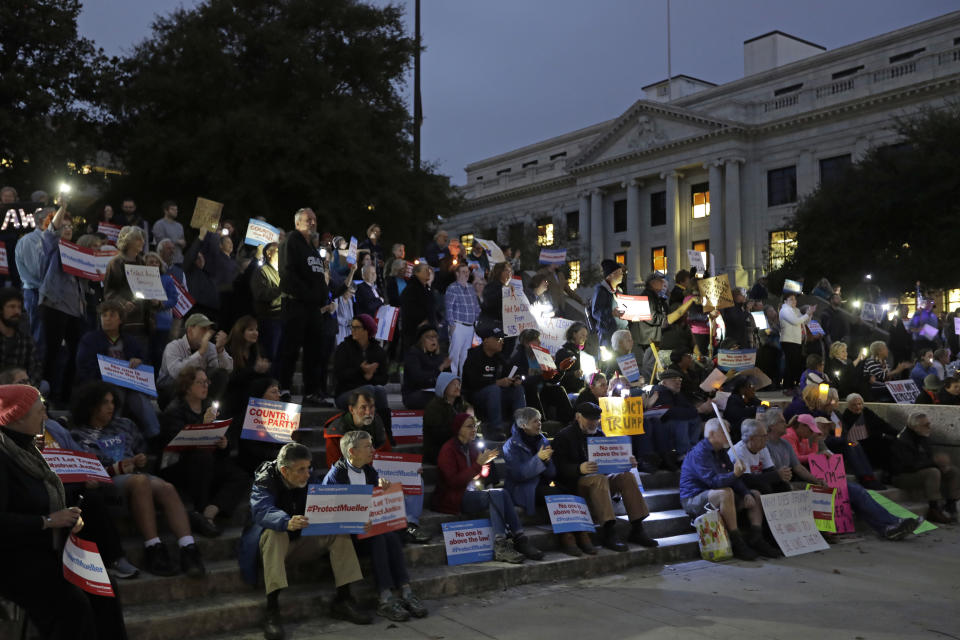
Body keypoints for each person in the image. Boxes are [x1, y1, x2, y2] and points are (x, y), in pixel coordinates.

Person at [0, 384, 129, 639]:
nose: (45, 416)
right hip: (14, 560)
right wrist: (47, 521)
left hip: (48, 549)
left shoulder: (28, 449)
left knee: (104, 586)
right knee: (72, 605)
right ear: (18, 417)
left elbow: (38, 496)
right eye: (39, 411)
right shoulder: (4, 456)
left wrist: (68, 513)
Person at [70, 381, 205, 577]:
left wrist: (140, 459)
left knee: (167, 488)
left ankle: (188, 548)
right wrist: (118, 468)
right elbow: (87, 471)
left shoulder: (125, 425)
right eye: (105, 403)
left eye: (112, 402)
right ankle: (153, 548)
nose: (111, 407)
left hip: (134, 474)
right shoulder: (79, 435)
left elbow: (141, 450)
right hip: (107, 481)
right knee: (140, 482)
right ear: (91, 406)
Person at [238, 443, 372, 639]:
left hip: (302, 542)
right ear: (284, 470)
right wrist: (285, 521)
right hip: (272, 548)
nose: (307, 473)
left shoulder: (310, 478)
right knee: (275, 534)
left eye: (308, 468)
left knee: (339, 533)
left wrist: (356, 521)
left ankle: (344, 599)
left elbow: (330, 505)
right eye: (301, 469)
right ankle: (272, 610)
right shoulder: (265, 479)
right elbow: (262, 510)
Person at [758, 408, 918, 541]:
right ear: (771, 426)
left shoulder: (785, 443)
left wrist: (817, 479)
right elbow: (775, 472)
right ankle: (887, 525)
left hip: (800, 479)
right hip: (785, 485)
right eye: (780, 421)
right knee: (831, 491)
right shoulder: (769, 444)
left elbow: (798, 467)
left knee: (855, 491)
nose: (785, 423)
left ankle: (891, 524)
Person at [322, 430, 428, 621]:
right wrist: (356, 522)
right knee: (379, 536)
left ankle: (405, 591)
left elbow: (376, 505)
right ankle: (385, 598)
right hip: (347, 537)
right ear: (352, 451)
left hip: (368, 530)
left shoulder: (369, 472)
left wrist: (383, 490)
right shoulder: (336, 476)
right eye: (368, 446)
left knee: (390, 534)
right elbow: (330, 513)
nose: (373, 449)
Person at [434, 413, 543, 562]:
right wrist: (477, 465)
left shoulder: (472, 447)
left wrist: (484, 468)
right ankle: (500, 545)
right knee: (496, 494)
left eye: (475, 426)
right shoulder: (448, 450)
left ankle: (520, 539)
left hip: (471, 492)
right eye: (469, 426)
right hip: (453, 497)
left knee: (502, 493)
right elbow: (453, 482)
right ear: (458, 429)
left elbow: (477, 476)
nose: (474, 430)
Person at [551, 402, 657, 551]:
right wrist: (578, 468)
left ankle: (638, 528)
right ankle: (609, 531)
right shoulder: (564, 436)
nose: (594, 422)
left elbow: (609, 463)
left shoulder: (600, 435)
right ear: (578, 417)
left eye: (596, 419)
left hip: (599, 482)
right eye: (590, 419)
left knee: (626, 477)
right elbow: (557, 467)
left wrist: (624, 462)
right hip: (575, 485)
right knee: (599, 479)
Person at [158, 366, 250, 538]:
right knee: (202, 458)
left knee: (240, 475)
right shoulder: (175, 410)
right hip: (180, 465)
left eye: (207, 382)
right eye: (200, 382)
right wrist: (203, 425)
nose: (206, 386)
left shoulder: (209, 406)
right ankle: (198, 511)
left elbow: (221, 444)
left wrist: (224, 444)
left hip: (207, 463)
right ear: (186, 386)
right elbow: (178, 445)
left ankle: (210, 511)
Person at [678, 417, 780, 560]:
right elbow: (713, 481)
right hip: (694, 498)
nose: (729, 436)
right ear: (712, 434)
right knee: (725, 493)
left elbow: (733, 478)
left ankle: (757, 536)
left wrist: (745, 492)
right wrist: (735, 474)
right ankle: (737, 542)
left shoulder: (720, 452)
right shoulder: (700, 453)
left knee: (755, 494)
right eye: (725, 432)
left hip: (713, 494)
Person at [502, 407, 592, 556]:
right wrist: (538, 459)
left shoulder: (542, 440)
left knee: (568, 489)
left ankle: (581, 532)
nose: (539, 424)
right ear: (523, 425)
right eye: (535, 421)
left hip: (541, 484)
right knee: (555, 493)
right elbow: (519, 474)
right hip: (522, 488)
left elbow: (551, 473)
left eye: (539, 420)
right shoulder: (510, 445)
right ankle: (567, 537)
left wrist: (547, 462)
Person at [75, 299, 162, 442]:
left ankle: (155, 435)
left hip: (130, 386)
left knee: (139, 398)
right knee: (116, 394)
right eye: (104, 315)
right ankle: (112, 437)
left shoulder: (130, 341)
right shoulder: (89, 340)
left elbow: (144, 361)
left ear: (120, 319)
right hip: (102, 385)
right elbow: (84, 368)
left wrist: (139, 361)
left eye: (112, 315)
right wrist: (108, 376)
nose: (107, 319)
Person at [277, 208, 339, 405]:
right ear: (297, 223)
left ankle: (311, 392)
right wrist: (310, 294)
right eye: (308, 220)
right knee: (291, 349)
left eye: (314, 219)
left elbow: (319, 276)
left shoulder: (312, 247)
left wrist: (322, 296)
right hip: (295, 303)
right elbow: (288, 275)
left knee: (315, 351)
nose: (312, 223)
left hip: (313, 308)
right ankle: (284, 389)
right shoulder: (291, 243)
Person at [889, 413, 959, 524]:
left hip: (919, 470)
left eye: (929, 424)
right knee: (933, 472)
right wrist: (935, 463)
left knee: (952, 471)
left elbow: (928, 456)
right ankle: (933, 508)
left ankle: (951, 503)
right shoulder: (903, 440)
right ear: (915, 426)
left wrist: (941, 464)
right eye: (926, 425)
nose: (929, 427)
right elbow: (910, 465)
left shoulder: (922, 436)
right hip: (902, 475)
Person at [461, 320, 525, 440]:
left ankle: (520, 427)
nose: (501, 342)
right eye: (497, 339)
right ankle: (496, 428)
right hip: (476, 396)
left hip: (495, 395)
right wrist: (497, 383)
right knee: (494, 389)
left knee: (518, 389)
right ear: (486, 340)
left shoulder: (499, 357)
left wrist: (514, 380)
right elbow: (472, 383)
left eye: (502, 339)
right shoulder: (473, 356)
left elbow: (510, 372)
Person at [332, 314, 392, 436]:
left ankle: (386, 432)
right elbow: (339, 375)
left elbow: (384, 378)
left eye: (357, 327)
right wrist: (361, 372)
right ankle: (369, 433)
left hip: (371, 391)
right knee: (368, 389)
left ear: (367, 330)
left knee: (380, 390)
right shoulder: (344, 348)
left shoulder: (377, 350)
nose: (352, 330)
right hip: (345, 394)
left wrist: (371, 377)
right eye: (352, 327)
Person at [159, 313, 233, 404]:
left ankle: (207, 410)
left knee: (220, 375)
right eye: (203, 329)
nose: (207, 333)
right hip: (170, 391)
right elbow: (176, 373)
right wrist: (200, 352)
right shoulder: (173, 346)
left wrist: (220, 351)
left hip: (197, 389)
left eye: (209, 329)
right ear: (190, 330)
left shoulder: (210, 347)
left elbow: (227, 370)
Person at [104, 226, 151, 340]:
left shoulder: (142, 262)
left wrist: (155, 300)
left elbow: (148, 287)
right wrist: (122, 303)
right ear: (129, 241)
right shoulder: (115, 263)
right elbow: (109, 292)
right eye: (138, 239)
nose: (143, 242)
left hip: (142, 321)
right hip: (123, 320)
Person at [841, 392, 898, 472]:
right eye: (854, 405)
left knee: (893, 441)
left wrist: (897, 433)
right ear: (849, 406)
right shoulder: (846, 417)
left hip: (874, 438)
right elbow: (847, 435)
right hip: (858, 443)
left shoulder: (866, 412)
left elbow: (881, 423)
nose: (857, 407)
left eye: (859, 404)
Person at [402, 324, 450, 409]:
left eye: (435, 336)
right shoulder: (413, 354)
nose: (433, 340)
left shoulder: (440, 356)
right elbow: (418, 377)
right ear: (421, 340)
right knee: (436, 399)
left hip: (435, 391)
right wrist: (438, 370)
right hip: (415, 393)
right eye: (429, 337)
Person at [445, 262, 481, 376]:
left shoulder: (470, 288)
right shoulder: (452, 288)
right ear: (457, 274)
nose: (466, 274)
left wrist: (478, 321)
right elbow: (448, 308)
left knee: (465, 356)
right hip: (458, 325)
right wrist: (451, 325)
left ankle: (462, 382)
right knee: (454, 355)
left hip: (470, 327)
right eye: (463, 272)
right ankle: (452, 380)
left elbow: (476, 306)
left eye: (467, 272)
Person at [0, 288, 41, 386]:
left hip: (19, 388)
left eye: (19, 307)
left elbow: (36, 368)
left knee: (44, 386)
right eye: (12, 306)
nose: (17, 311)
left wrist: (27, 386)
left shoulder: (26, 340)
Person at [251, 241, 283, 363]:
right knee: (271, 354)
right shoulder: (261, 271)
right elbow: (260, 294)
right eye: (278, 251)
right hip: (269, 320)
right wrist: (280, 289)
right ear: (269, 254)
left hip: (282, 318)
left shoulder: (281, 272)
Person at [423, 372, 465, 465]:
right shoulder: (434, 407)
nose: (457, 387)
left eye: (459, 384)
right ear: (444, 386)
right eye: (453, 384)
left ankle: (492, 479)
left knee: (483, 452)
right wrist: (461, 432)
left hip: (457, 445)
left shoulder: (460, 405)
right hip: (438, 449)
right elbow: (437, 434)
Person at [399, 263, 438, 352]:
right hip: (415, 332)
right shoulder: (411, 289)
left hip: (427, 329)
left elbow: (432, 307)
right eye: (425, 270)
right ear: (417, 273)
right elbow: (409, 310)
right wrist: (422, 321)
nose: (428, 273)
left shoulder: (426, 288)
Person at [590, 259, 628, 348]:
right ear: (611, 275)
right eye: (619, 272)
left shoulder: (619, 291)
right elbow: (596, 312)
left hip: (621, 333)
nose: (622, 274)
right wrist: (611, 313)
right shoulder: (601, 290)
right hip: (608, 335)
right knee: (609, 361)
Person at [779, 292, 812, 390]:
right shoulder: (785, 310)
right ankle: (787, 386)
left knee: (796, 363)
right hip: (788, 340)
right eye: (791, 299)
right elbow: (795, 321)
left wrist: (809, 314)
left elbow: (805, 321)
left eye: (795, 299)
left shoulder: (796, 310)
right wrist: (807, 314)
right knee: (790, 363)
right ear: (785, 301)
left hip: (797, 341)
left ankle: (792, 384)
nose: (794, 301)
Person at [722, 374, 761, 443]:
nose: (753, 389)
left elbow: (761, 405)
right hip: (736, 435)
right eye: (750, 386)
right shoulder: (733, 399)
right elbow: (741, 413)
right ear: (742, 389)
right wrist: (756, 409)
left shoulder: (751, 399)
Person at [555, 322, 590, 395]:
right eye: (582, 335)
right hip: (567, 393)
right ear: (574, 334)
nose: (585, 338)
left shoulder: (579, 352)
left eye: (586, 336)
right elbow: (556, 374)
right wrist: (573, 374)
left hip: (578, 391)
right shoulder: (562, 352)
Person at [152, 200, 185, 265]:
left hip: (179, 261)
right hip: (164, 262)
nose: (176, 211)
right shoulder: (159, 224)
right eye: (172, 209)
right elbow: (160, 242)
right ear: (166, 211)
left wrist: (183, 243)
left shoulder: (179, 226)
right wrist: (177, 241)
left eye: (176, 209)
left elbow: (183, 242)